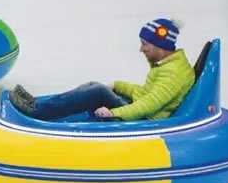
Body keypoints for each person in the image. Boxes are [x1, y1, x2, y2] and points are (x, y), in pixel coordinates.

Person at [10, 18, 195, 121]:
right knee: (95, 86)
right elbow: (146, 94)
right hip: (139, 109)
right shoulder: (169, 64)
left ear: (159, 46)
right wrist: (118, 85)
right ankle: (37, 104)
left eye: (145, 44)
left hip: (144, 120)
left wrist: (113, 113)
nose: (141, 49)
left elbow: (148, 106)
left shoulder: (173, 73)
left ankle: (37, 112)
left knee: (97, 91)